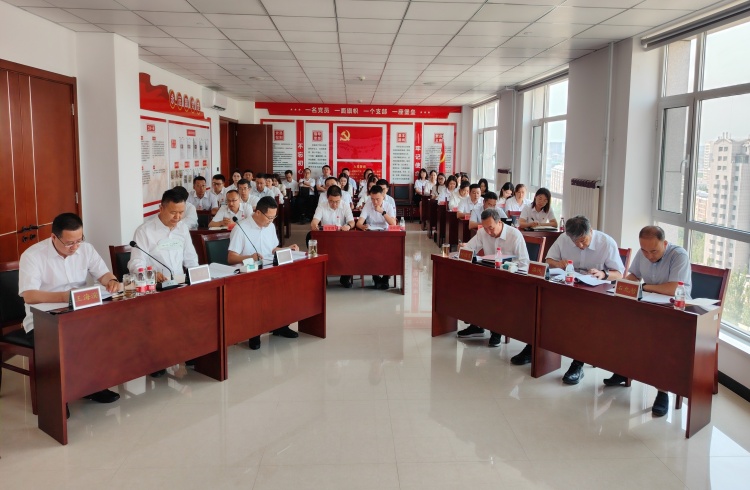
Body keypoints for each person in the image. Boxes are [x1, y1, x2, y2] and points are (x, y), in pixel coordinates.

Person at [18, 212, 121, 408]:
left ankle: (93, 386)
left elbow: (104, 274)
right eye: (68, 243)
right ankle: (57, 401)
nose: (74, 247)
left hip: (78, 313)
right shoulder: (32, 256)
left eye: (78, 240)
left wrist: (112, 281)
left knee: (106, 332)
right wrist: (65, 297)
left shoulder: (86, 249)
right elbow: (29, 295)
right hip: (43, 321)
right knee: (67, 343)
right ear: (53, 237)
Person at [510, 215, 624, 381]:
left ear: (591, 231)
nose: (580, 245)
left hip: (594, 294)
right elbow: (549, 260)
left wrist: (603, 274)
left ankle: (578, 364)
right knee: (542, 307)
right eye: (575, 242)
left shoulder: (606, 243)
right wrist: (559, 264)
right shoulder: (564, 238)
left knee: (582, 320)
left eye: (583, 241)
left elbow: (619, 274)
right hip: (568, 287)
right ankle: (533, 347)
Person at [602, 225, 691, 417]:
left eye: (654, 251)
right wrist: (621, 287)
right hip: (648, 307)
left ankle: (663, 392)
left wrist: (646, 287)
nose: (649, 255)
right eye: (644, 250)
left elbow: (674, 288)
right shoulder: (643, 252)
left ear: (664, 243)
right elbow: (634, 276)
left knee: (659, 342)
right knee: (620, 327)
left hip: (673, 313)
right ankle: (624, 370)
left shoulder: (678, 256)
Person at [227, 196, 300, 350]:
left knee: (288, 287)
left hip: (269, 269)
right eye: (269, 217)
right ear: (258, 212)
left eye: (274, 217)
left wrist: (288, 249)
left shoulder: (270, 227)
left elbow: (272, 249)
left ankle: (280, 326)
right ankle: (254, 333)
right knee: (260, 294)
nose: (271, 221)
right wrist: (250, 257)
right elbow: (231, 258)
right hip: (248, 275)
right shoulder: (241, 228)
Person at [457, 208, 530, 347]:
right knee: (470, 285)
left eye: (491, 228)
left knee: (495, 291)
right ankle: (477, 324)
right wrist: (464, 247)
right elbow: (469, 248)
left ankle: (497, 330)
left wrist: (508, 268)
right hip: (489, 275)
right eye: (485, 228)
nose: (488, 232)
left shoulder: (514, 235)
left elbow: (524, 263)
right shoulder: (482, 232)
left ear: (499, 222)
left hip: (509, 278)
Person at [311, 186, 355, 288]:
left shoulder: (345, 205)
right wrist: (314, 225)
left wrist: (348, 226)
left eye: (337, 201)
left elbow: (352, 222)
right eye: (331, 201)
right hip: (326, 238)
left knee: (351, 248)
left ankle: (345, 277)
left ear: (341, 198)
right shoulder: (322, 205)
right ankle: (323, 275)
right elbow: (314, 222)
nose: (334, 204)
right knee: (312, 240)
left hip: (341, 237)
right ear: (327, 198)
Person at [356, 184, 398, 289]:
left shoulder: (388, 206)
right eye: (372, 199)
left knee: (390, 254)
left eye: (377, 199)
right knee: (371, 254)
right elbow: (359, 223)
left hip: (386, 235)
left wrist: (382, 212)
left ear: (383, 196)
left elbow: (393, 223)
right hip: (371, 236)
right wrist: (362, 226)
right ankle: (376, 277)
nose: (375, 202)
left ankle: (385, 278)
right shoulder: (368, 205)